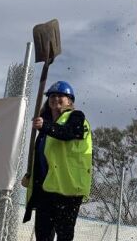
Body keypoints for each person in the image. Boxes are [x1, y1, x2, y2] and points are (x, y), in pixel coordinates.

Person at [22, 81, 92, 241]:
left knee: (64, 235)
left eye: (61, 95)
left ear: (70, 101)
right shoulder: (46, 128)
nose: (56, 98)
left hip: (68, 188)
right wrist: (31, 175)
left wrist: (46, 126)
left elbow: (69, 133)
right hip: (48, 188)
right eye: (52, 95)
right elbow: (42, 157)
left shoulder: (76, 117)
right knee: (43, 234)